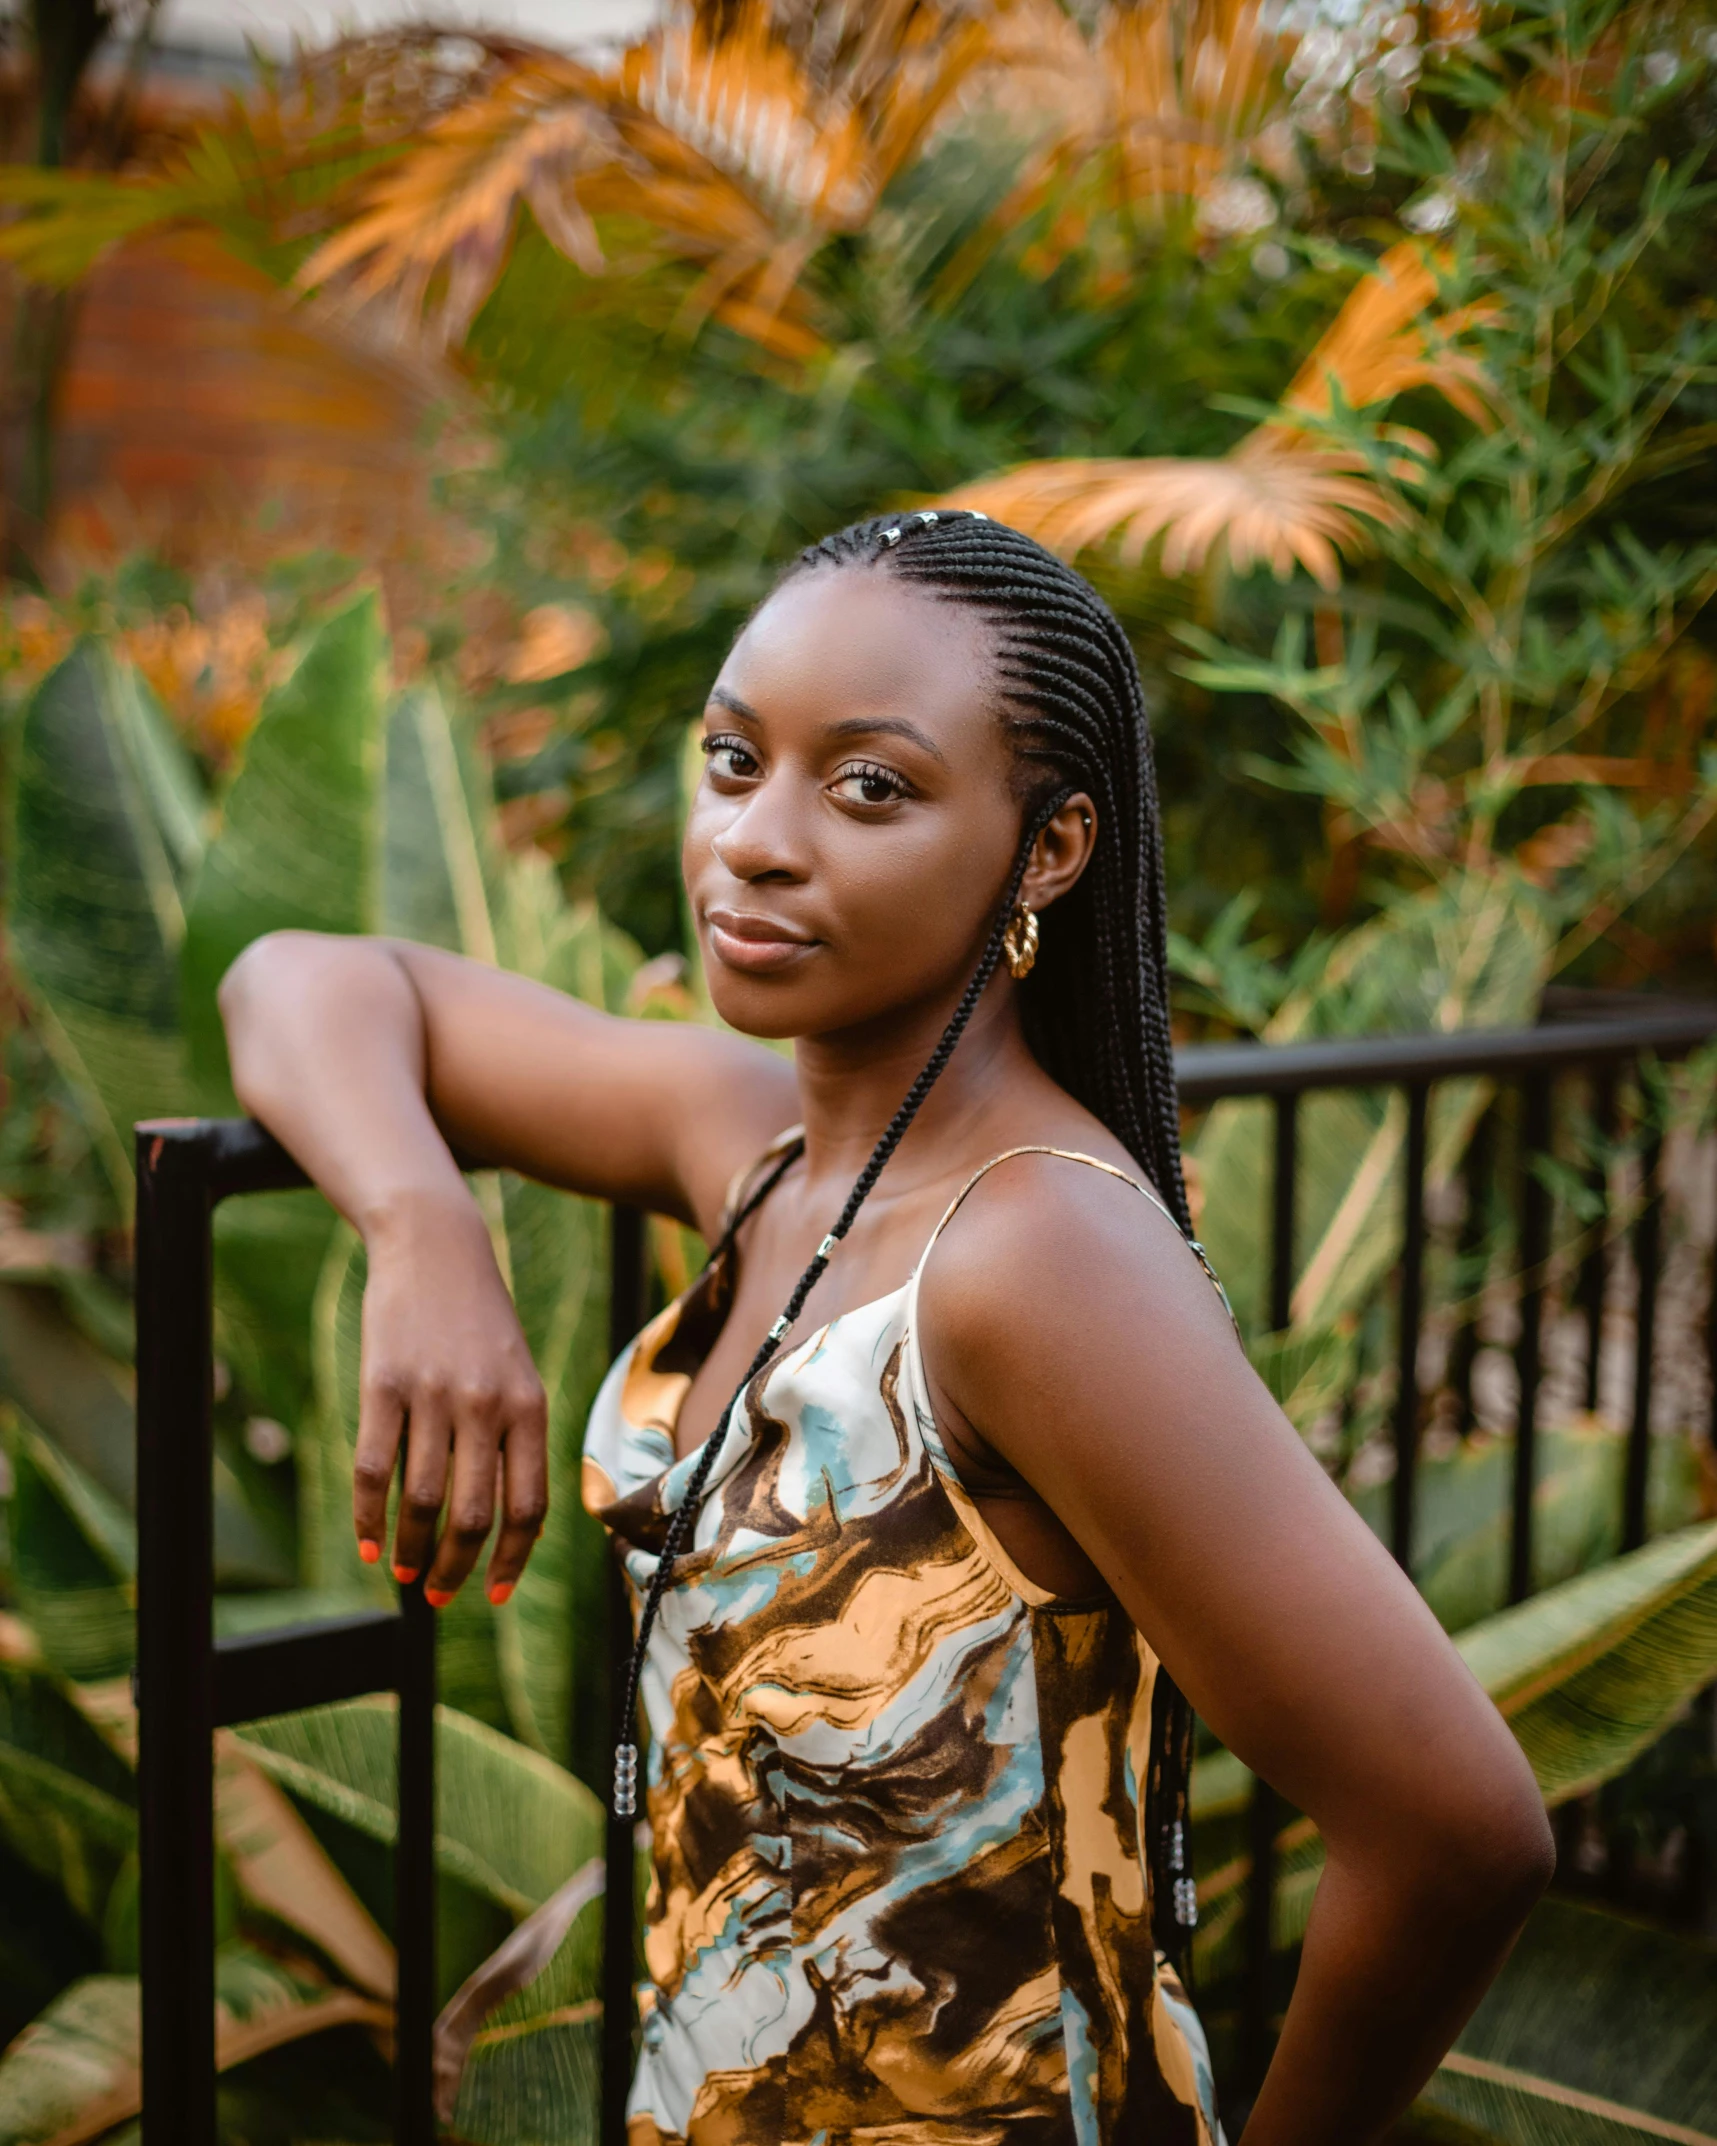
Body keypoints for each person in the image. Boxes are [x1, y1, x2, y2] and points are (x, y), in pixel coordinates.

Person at [219, 510, 1552, 2146]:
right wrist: (422, 1229)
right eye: (730, 759)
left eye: (870, 787)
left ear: (1049, 848)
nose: (755, 842)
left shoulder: (1032, 1252)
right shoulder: (764, 1148)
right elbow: (303, 979)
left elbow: (1457, 1827)